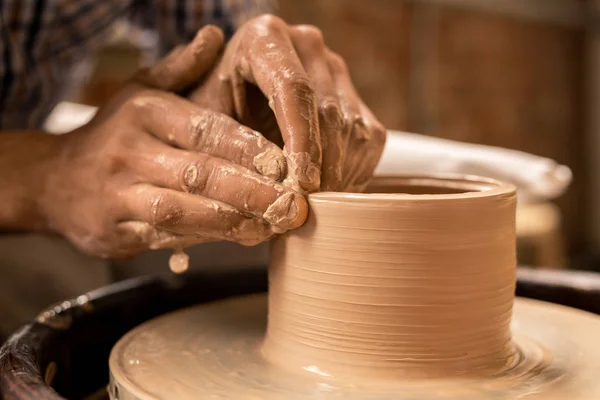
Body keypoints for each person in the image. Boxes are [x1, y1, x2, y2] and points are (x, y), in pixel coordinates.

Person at [0, 0, 385, 337]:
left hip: (45, 136)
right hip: (31, 162)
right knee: (49, 284)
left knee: (310, 207)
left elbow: (214, 39)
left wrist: (231, 92)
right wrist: (50, 175)